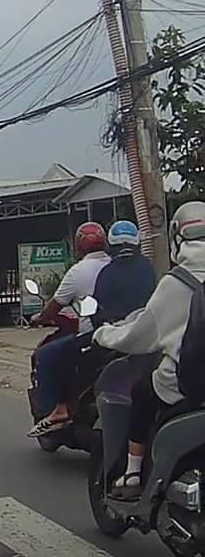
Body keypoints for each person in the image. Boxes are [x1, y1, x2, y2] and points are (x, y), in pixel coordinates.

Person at [93, 201, 205, 499]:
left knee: (142, 391)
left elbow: (139, 336)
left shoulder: (176, 282)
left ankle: (132, 475)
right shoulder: (146, 270)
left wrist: (104, 334)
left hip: (188, 385)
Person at [27, 221, 111, 437]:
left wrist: (39, 318)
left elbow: (54, 306)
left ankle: (54, 410)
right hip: (120, 334)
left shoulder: (77, 272)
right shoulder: (114, 266)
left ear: (78, 246)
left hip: (91, 337)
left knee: (46, 354)